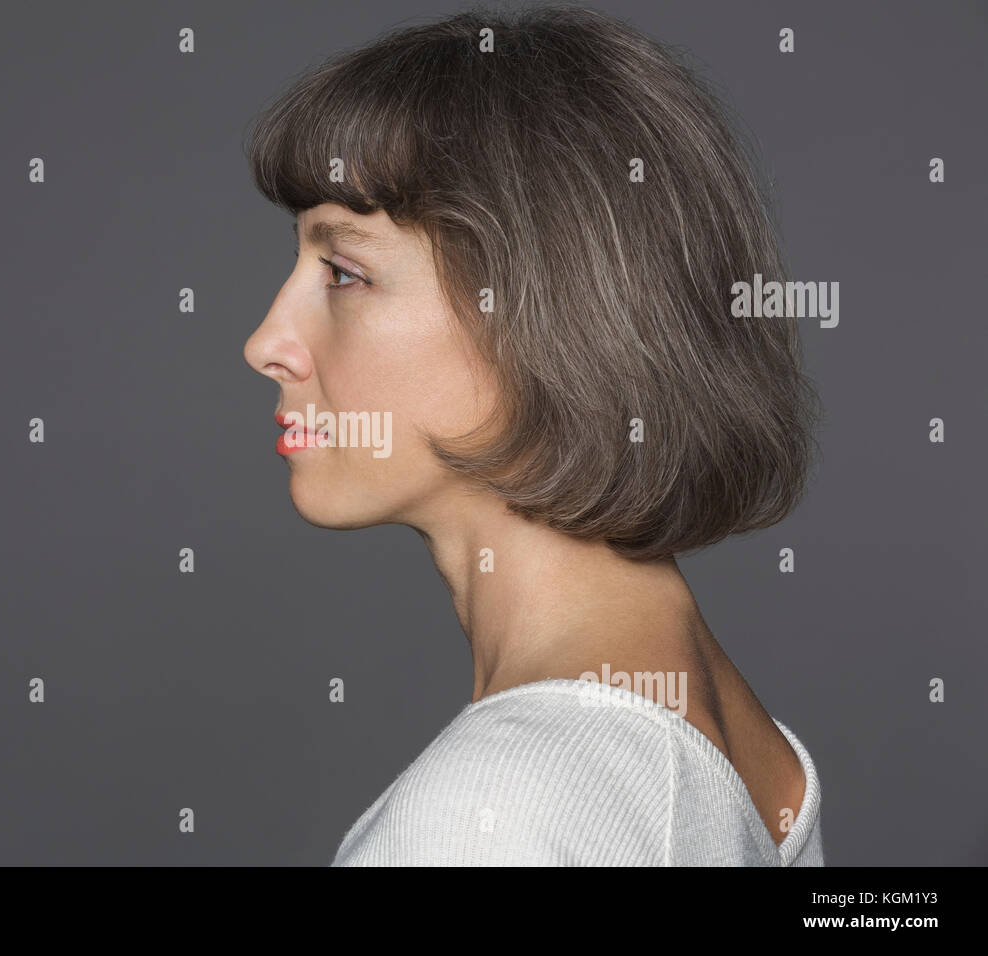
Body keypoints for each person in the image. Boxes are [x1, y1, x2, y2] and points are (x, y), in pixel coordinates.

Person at [241, 5, 824, 866]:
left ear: (544, 318)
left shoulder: (489, 814)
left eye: (343, 271)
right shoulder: (745, 751)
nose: (266, 345)